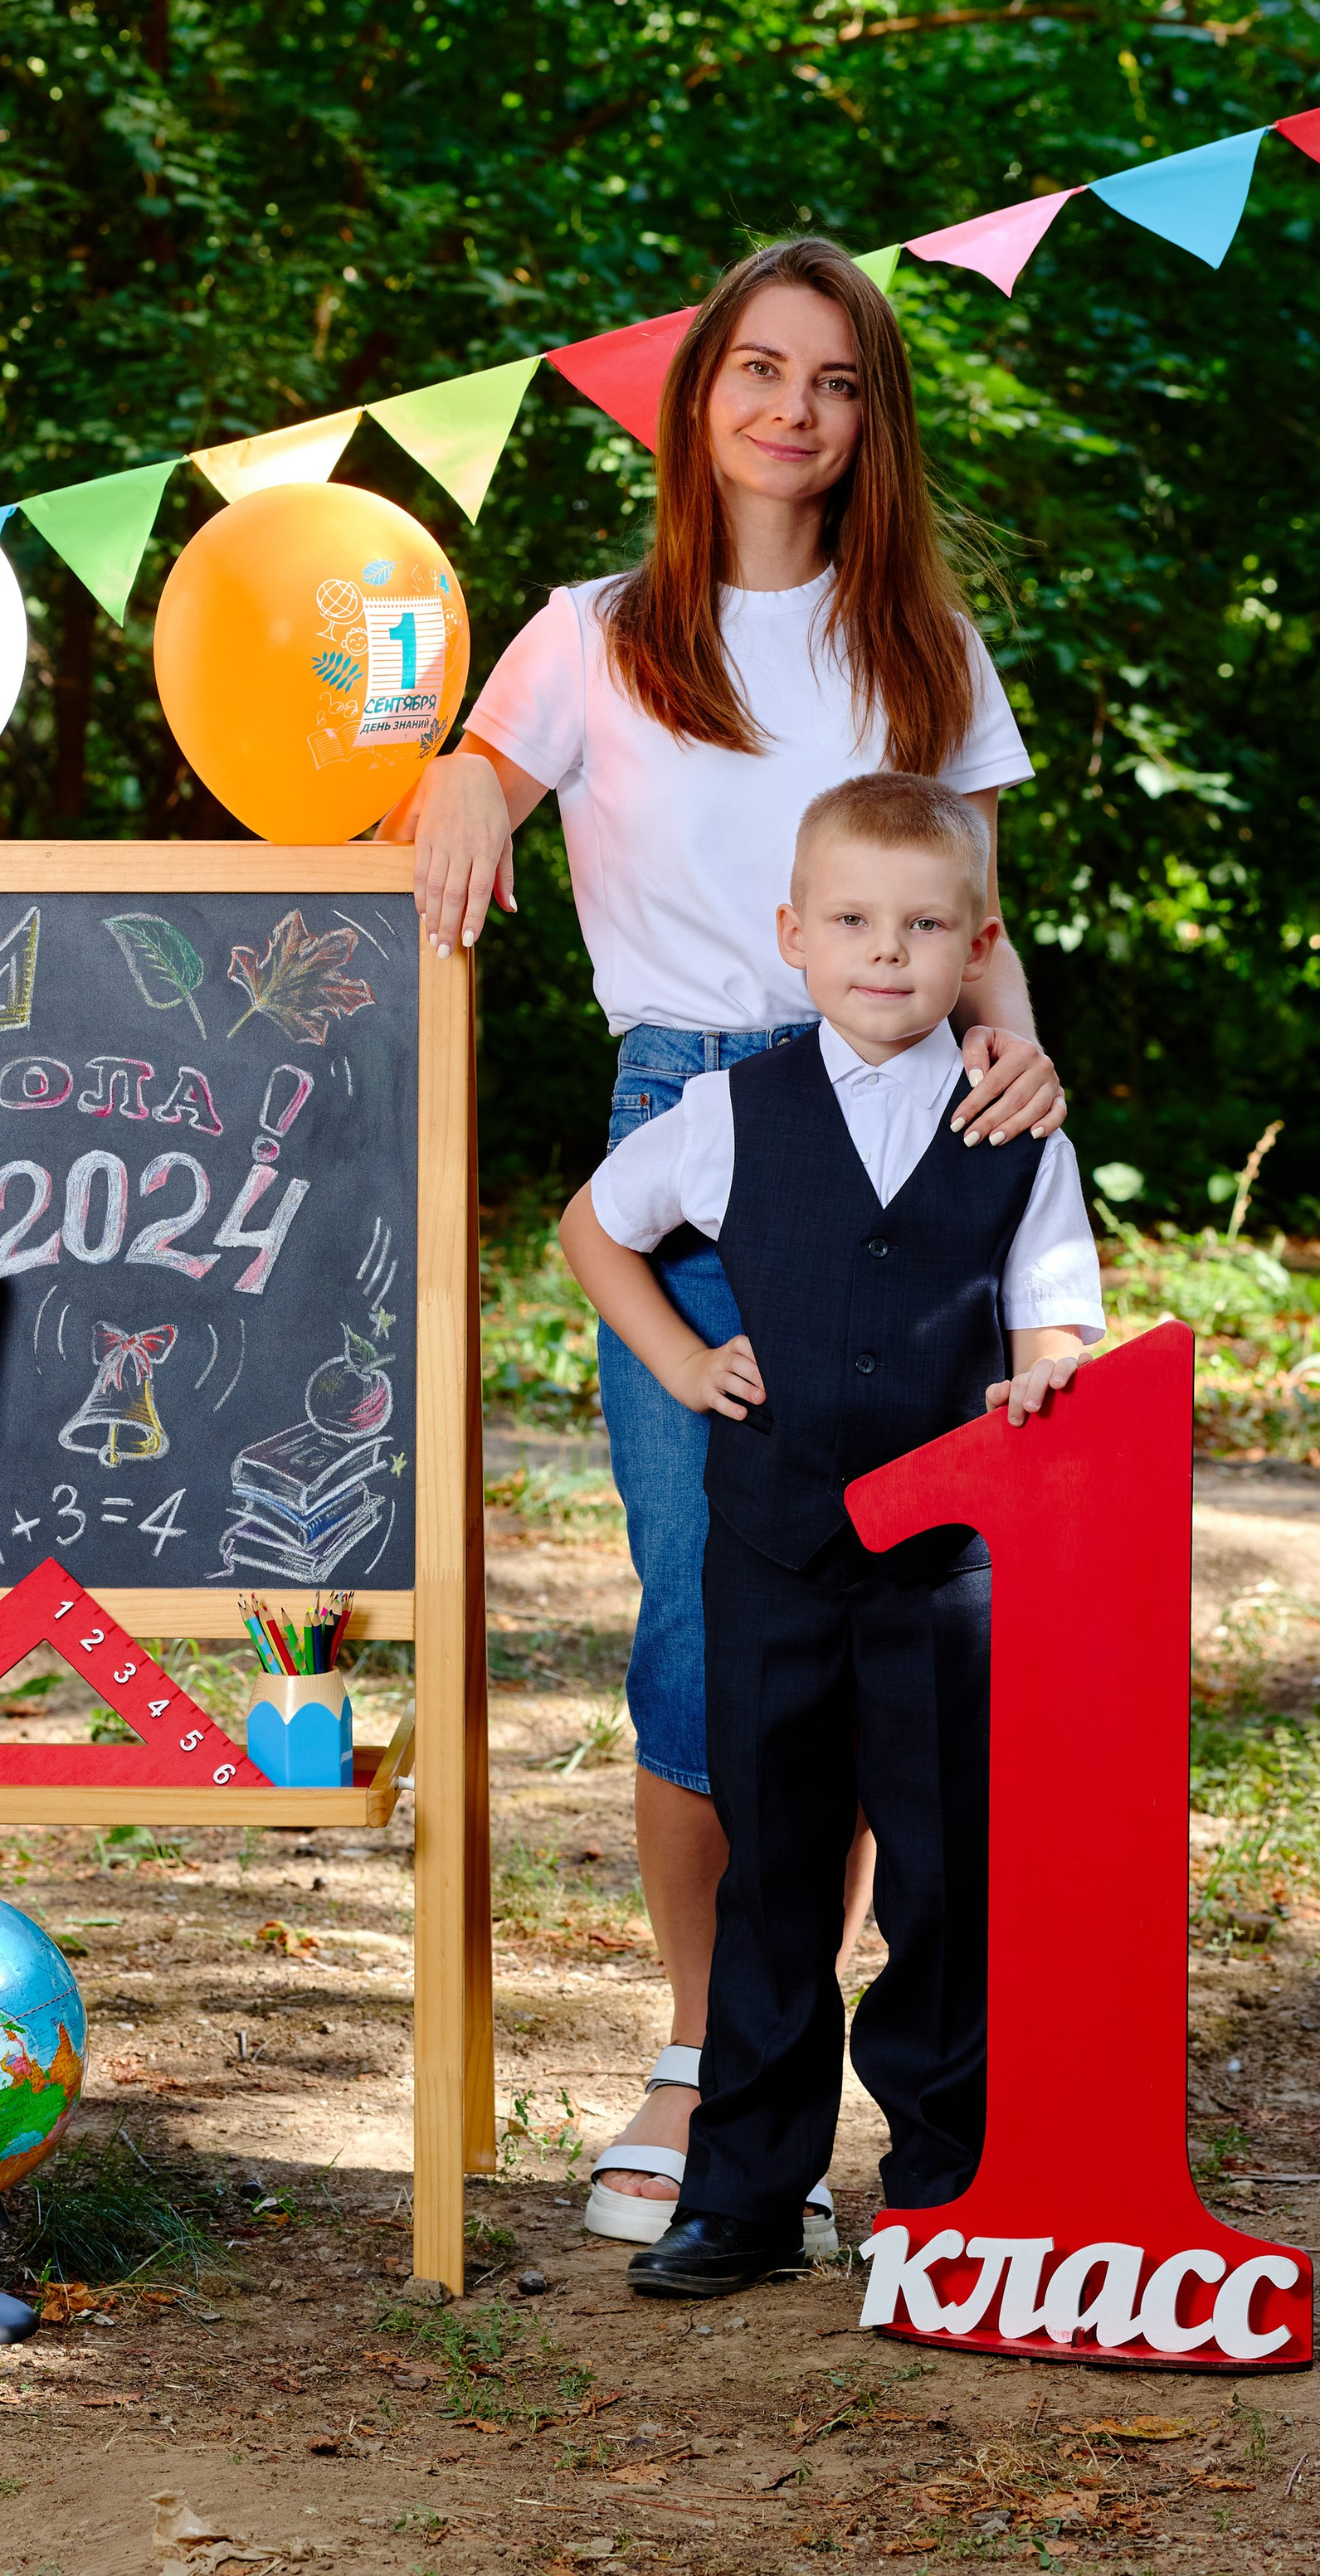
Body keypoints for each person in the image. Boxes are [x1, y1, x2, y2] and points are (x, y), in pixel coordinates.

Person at [382, 236, 1066, 2248]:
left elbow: (973, 908)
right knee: (705, 1613)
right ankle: (703, 2059)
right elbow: (476, 782)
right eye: (755, 370)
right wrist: (462, 786)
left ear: (870, 421)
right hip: (695, 1133)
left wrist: (1008, 1055)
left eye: (833, 381)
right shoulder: (588, 632)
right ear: (691, 400)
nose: (790, 407)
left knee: (879, 1621)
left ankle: (868, 2096)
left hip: (907, 1123)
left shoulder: (916, 632)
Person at [558, 773, 1103, 2295]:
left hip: (945, 1579)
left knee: (945, 1875)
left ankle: (946, 2190)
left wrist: (1043, 1373)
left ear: (977, 943)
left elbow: (1058, 1309)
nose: (888, 950)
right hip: (775, 1558)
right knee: (775, 1872)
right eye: (854, 921)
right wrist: (680, 1362)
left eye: (926, 925)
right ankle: (741, 2191)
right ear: (794, 936)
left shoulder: (1016, 1124)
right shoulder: (729, 1113)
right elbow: (595, 1226)